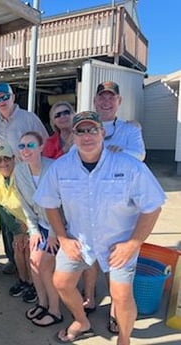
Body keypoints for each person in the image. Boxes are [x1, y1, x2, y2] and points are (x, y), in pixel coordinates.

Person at [33, 111, 165, 345]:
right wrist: (63, 238)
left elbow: (153, 206)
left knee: (122, 295)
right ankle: (82, 321)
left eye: (92, 129)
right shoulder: (60, 167)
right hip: (79, 240)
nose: (87, 136)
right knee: (62, 282)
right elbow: (49, 204)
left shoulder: (130, 165)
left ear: (103, 133)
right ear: (72, 136)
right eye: (80, 131)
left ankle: (123, 340)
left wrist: (133, 244)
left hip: (120, 243)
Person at [82, 81, 146, 330]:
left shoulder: (130, 128)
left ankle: (117, 310)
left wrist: (115, 152)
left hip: (118, 204)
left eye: (111, 97)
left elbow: (140, 154)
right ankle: (89, 297)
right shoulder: (87, 125)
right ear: (95, 101)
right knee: (90, 253)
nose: (106, 102)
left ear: (118, 101)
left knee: (114, 258)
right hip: (89, 200)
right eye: (102, 97)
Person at [0, 82, 48, 274]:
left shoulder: (29, 118)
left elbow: (44, 143)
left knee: (30, 218)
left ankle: (37, 268)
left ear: (13, 97)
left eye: (5, 96)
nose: (2, 101)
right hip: (4, 175)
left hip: (26, 176)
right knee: (8, 222)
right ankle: (13, 261)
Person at [14, 131, 63, 326]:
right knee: (33, 262)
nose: (25, 150)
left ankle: (55, 311)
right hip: (40, 226)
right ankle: (42, 303)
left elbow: (63, 205)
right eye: (22, 146)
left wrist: (53, 233)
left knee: (44, 267)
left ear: (41, 147)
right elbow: (25, 205)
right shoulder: (19, 171)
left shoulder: (54, 168)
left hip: (60, 227)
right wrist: (34, 230)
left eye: (31, 145)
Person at [0, 144, 37, 302]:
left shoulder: (24, 172)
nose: (3, 163)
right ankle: (23, 280)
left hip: (33, 219)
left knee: (30, 250)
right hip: (15, 219)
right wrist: (16, 231)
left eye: (7, 159)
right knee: (18, 247)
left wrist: (29, 228)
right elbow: (0, 206)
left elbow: (35, 203)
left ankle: (34, 283)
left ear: (14, 158)